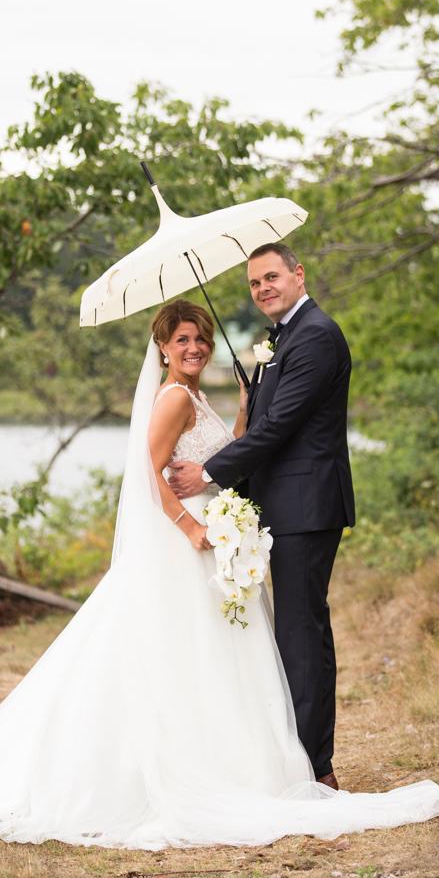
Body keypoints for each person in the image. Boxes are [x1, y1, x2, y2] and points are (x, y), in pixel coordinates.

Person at [0, 299, 439, 848]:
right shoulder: (171, 397)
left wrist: (243, 416)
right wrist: (190, 527)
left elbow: (215, 463)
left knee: (215, 655)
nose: (195, 347)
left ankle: (236, 760)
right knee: (182, 652)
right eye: (184, 339)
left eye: (202, 339)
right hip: (183, 545)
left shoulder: (195, 398)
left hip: (214, 539)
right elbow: (151, 475)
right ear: (163, 347)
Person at [170, 245, 353, 790]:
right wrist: (251, 404)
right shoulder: (283, 340)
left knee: (301, 633)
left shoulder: (316, 334)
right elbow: (267, 422)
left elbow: (283, 430)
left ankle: (314, 770)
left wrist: (207, 474)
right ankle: (308, 760)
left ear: (299, 275)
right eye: (253, 283)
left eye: (271, 277)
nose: (262, 288)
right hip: (288, 505)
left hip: (306, 506)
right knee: (299, 631)